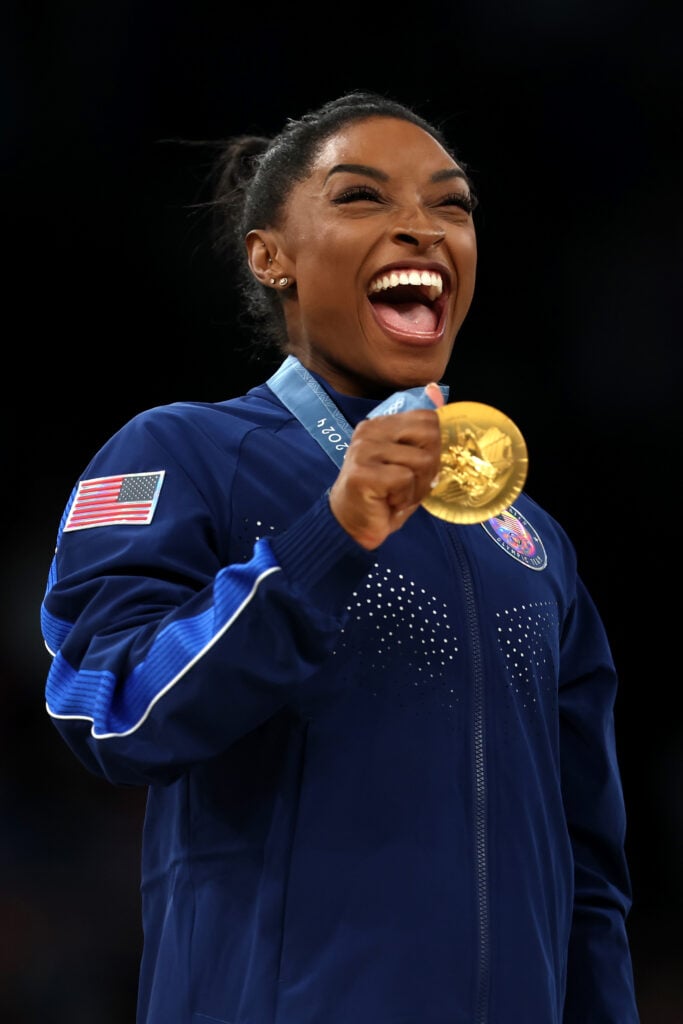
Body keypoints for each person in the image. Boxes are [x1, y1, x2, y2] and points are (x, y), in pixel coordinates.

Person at [40, 90, 640, 1023]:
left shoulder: (528, 540)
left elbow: (589, 875)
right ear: (267, 255)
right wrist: (330, 536)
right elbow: (109, 707)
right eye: (362, 198)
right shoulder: (184, 453)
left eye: (451, 206)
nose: (421, 229)